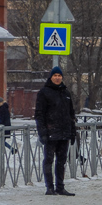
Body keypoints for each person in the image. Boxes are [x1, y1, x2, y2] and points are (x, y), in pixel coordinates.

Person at [34, 66, 78, 196]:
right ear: (51, 77)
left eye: (59, 76)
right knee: (49, 160)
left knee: (62, 161)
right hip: (50, 133)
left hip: (64, 133)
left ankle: (60, 187)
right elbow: (39, 114)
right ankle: (49, 187)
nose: (57, 78)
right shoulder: (44, 93)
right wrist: (42, 132)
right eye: (55, 76)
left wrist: (72, 132)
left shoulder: (66, 93)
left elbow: (71, 114)